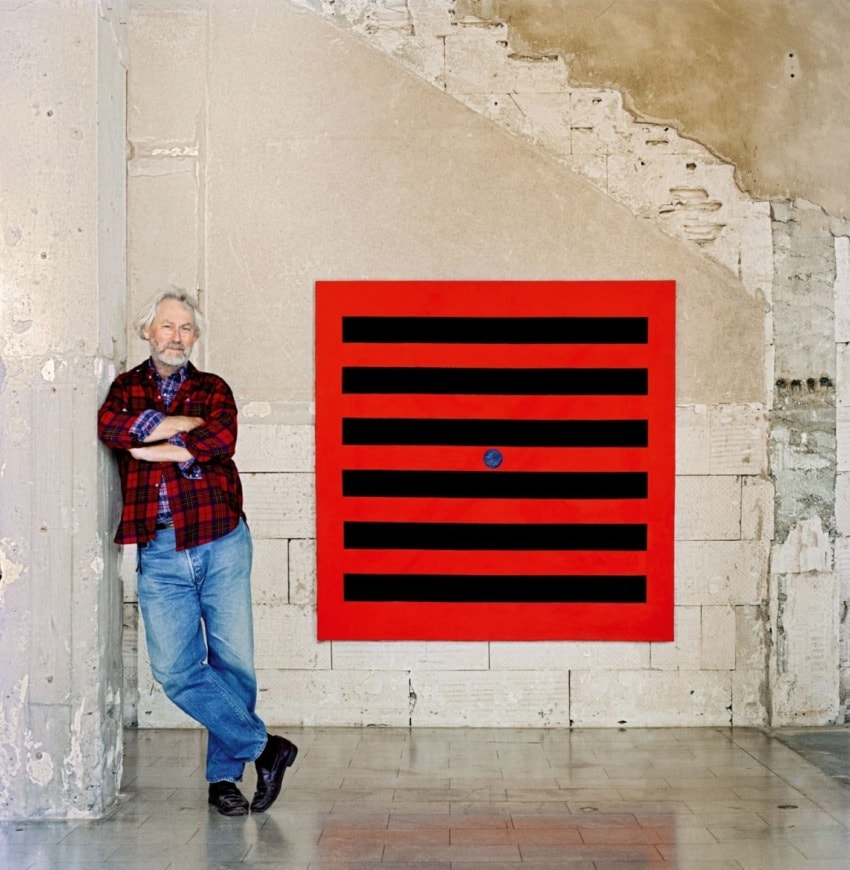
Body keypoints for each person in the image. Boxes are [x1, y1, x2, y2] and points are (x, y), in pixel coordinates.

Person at [98, 288, 297, 816]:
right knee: (175, 670)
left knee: (233, 666)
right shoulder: (123, 387)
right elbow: (111, 428)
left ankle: (223, 781)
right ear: (147, 332)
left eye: (186, 328)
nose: (176, 336)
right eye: (167, 326)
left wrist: (154, 444)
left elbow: (220, 439)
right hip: (159, 550)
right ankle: (266, 748)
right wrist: (184, 430)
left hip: (221, 539)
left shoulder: (212, 388)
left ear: (195, 336)